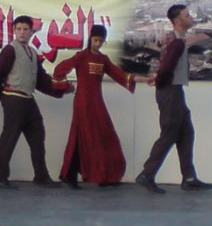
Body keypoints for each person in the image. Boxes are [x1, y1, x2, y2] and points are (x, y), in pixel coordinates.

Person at [54, 25, 153, 188]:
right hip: (83, 102)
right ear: (90, 39)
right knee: (86, 136)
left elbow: (120, 75)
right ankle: (76, 175)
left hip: (97, 102)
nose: (98, 44)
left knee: (101, 136)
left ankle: (102, 176)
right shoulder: (81, 56)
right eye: (95, 40)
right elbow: (59, 70)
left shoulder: (103, 59)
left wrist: (146, 79)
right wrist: (66, 86)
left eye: (101, 41)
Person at [136, 4, 212, 194]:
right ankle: (147, 174)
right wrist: (160, 81)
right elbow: (166, 67)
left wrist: (159, 80)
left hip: (173, 90)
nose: (191, 17)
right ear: (178, 20)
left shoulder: (174, 39)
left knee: (186, 132)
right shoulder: (177, 42)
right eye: (187, 15)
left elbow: (164, 65)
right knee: (169, 133)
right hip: (170, 91)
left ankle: (189, 178)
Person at [0, 15, 72, 189]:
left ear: (31, 32)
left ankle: (41, 176)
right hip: (14, 98)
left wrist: (61, 89)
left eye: (25, 29)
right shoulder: (10, 50)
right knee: (9, 138)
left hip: (28, 99)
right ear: (14, 30)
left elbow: (41, 80)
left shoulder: (32, 52)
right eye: (18, 29)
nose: (22, 32)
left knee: (37, 137)